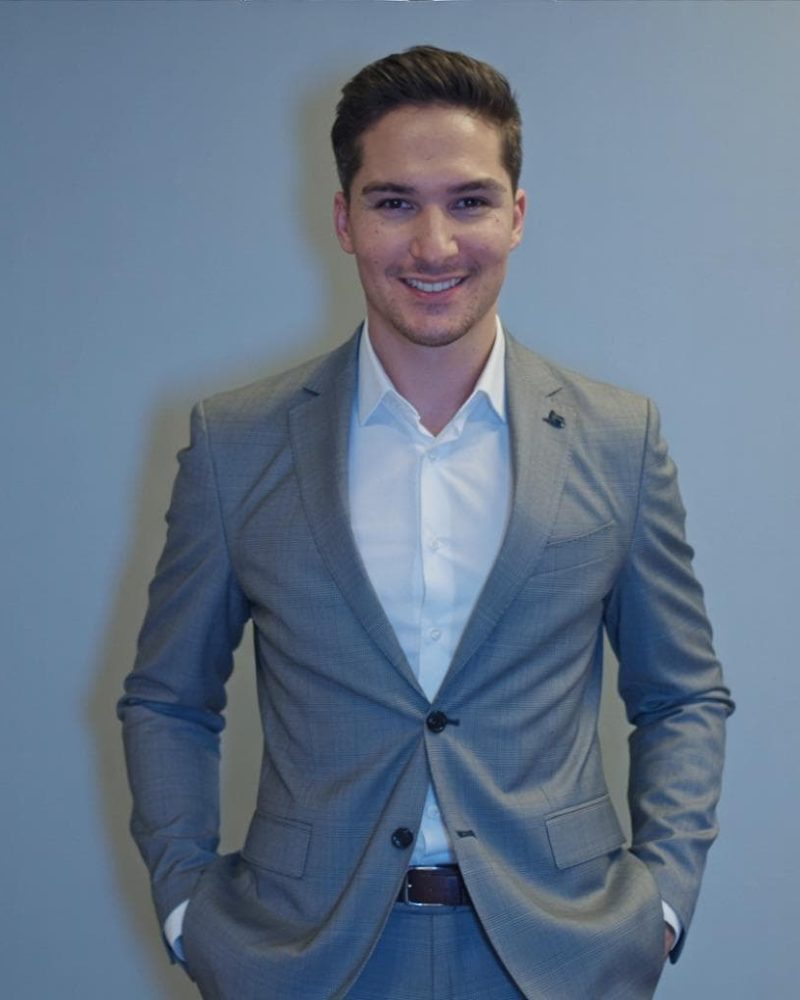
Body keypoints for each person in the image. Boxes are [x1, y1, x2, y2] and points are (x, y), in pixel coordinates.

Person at [118, 45, 733, 1000]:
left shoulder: (619, 437)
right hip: (307, 959)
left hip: (559, 957)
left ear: (518, 217)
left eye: (471, 201)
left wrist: (659, 907)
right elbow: (168, 698)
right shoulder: (236, 442)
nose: (435, 245)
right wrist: (188, 909)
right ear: (345, 219)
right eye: (395, 201)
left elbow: (683, 695)